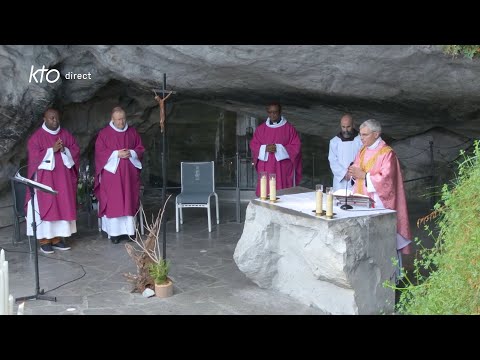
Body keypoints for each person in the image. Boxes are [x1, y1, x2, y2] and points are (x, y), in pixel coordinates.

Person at [347, 119, 411, 279]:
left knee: (384, 243)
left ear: (376, 134)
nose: (361, 138)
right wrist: (353, 173)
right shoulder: (363, 150)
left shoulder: (387, 153)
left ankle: (391, 277)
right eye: (360, 135)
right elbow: (357, 169)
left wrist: (365, 176)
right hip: (361, 201)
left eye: (365, 135)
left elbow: (387, 181)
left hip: (380, 205)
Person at [25, 108, 80, 254]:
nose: (55, 121)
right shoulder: (37, 137)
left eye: (56, 118)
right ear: (45, 119)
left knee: (61, 206)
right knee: (47, 206)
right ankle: (44, 240)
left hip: (62, 180)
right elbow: (34, 157)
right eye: (51, 118)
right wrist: (51, 150)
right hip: (45, 180)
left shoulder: (65, 134)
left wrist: (64, 151)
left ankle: (56, 239)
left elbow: (75, 150)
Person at [94, 107, 144, 244]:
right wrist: (116, 154)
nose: (121, 122)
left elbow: (140, 148)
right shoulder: (104, 134)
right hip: (112, 176)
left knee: (129, 200)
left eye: (123, 119)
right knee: (114, 203)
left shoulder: (132, 132)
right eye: (118, 119)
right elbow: (99, 152)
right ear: (112, 119)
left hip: (129, 176)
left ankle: (130, 232)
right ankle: (114, 233)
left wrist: (132, 153)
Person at [250, 103, 302, 197]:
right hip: (267, 167)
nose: (272, 115)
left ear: (280, 112)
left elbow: (296, 147)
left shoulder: (289, 129)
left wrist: (279, 148)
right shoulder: (261, 129)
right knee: (266, 192)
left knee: (282, 194)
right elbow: (254, 145)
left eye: (275, 112)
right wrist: (264, 148)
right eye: (270, 112)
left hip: (282, 168)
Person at [328, 114, 362, 192]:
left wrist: (355, 172)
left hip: (357, 177)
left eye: (348, 127)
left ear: (353, 125)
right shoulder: (334, 142)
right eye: (343, 127)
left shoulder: (361, 140)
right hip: (340, 181)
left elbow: (364, 157)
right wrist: (344, 173)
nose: (345, 130)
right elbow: (332, 161)